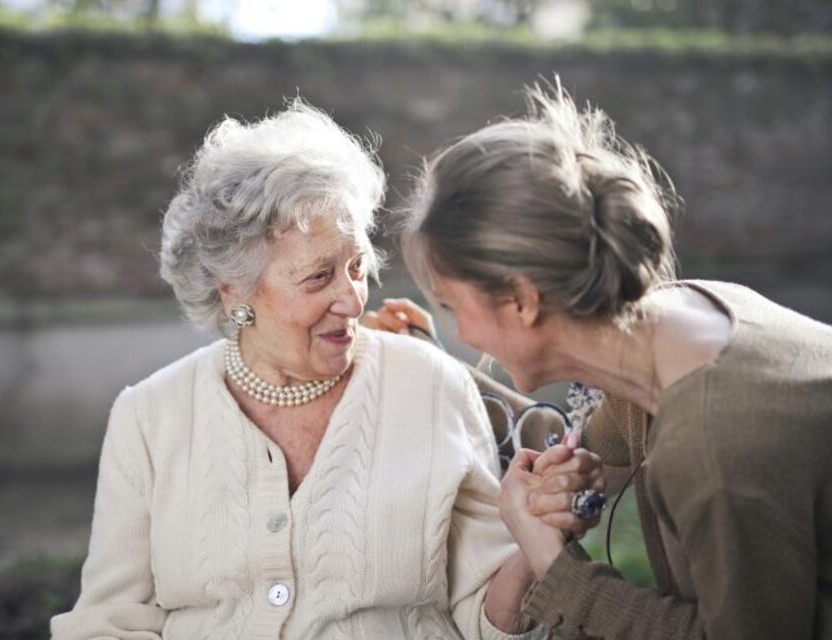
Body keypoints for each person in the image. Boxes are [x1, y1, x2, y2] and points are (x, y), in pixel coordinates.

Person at [50, 101, 600, 639]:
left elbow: (483, 615)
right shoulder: (149, 416)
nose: (352, 299)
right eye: (318, 278)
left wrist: (535, 537)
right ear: (234, 291)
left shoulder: (431, 385)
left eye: (357, 267)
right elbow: (109, 621)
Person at [395, 80, 832, 639]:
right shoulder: (678, 320)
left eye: (455, 306)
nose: (462, 332)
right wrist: (559, 492)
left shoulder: (712, 446)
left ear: (523, 301)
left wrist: (558, 570)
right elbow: (596, 458)